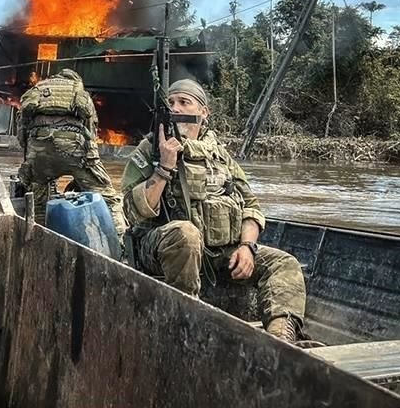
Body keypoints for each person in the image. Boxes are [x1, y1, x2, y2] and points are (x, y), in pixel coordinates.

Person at [120, 78, 307, 343]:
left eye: (184, 102)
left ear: (203, 112)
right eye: (171, 103)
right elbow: (131, 211)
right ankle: (186, 322)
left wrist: (247, 247)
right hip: (161, 249)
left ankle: (281, 338)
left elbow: (251, 206)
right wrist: (163, 167)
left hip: (218, 253)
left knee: (283, 262)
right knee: (186, 233)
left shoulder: (220, 155)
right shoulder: (150, 149)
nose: (176, 108)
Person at [16, 68, 126, 238]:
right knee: (106, 195)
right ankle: (121, 241)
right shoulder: (79, 91)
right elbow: (91, 130)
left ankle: (38, 238)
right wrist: (91, 164)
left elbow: (22, 126)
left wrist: (31, 158)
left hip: (39, 151)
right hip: (73, 150)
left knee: (38, 202)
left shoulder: (37, 90)